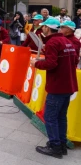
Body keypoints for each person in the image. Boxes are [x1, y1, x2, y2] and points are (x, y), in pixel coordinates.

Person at [30, 17, 78, 159]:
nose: (42, 28)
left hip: (57, 86)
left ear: (47, 28)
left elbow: (51, 64)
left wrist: (36, 64)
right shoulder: (66, 41)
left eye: (43, 26)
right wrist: (44, 60)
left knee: (50, 117)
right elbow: (69, 60)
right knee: (61, 117)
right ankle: (61, 145)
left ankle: (55, 146)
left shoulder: (52, 42)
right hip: (68, 85)